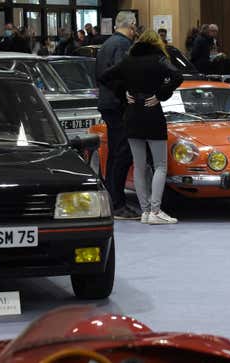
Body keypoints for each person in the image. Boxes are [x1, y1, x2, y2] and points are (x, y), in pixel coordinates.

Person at [99, 30, 183, 224]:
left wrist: (123, 92)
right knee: (160, 165)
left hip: (132, 114)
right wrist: (161, 94)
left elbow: (104, 76)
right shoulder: (159, 59)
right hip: (152, 113)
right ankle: (155, 210)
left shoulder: (128, 59)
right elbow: (177, 76)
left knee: (138, 165)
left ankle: (145, 212)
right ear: (156, 43)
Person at [96, 11, 139, 220]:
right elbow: (121, 74)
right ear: (131, 26)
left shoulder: (107, 44)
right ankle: (118, 203)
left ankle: (112, 199)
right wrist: (128, 93)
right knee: (123, 153)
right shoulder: (122, 45)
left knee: (114, 154)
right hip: (117, 104)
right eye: (136, 28)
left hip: (107, 102)